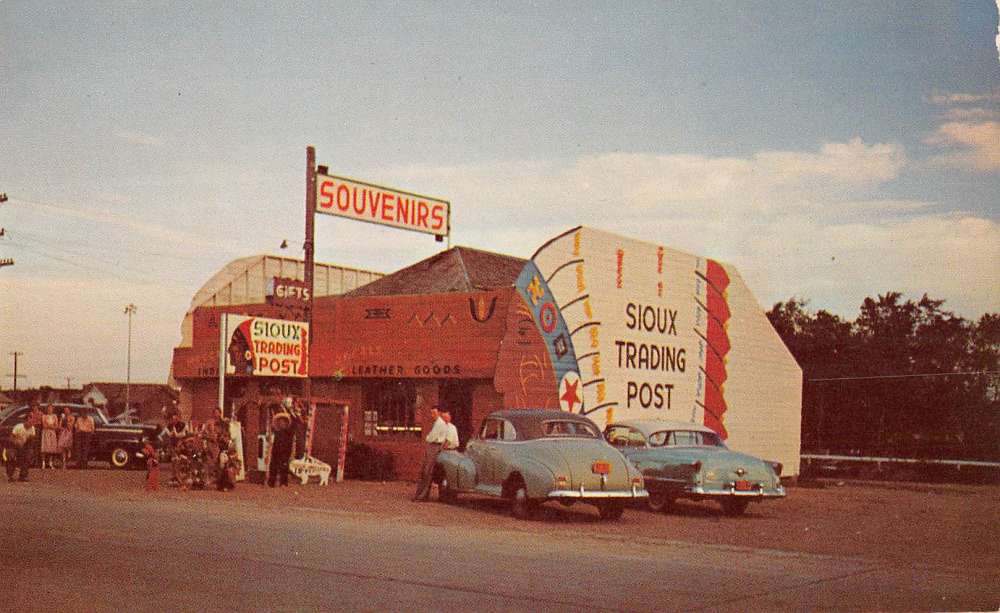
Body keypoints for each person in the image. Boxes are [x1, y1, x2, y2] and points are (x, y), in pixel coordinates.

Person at [412, 406, 448, 501]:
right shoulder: (437, 423)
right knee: (425, 471)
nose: (433, 415)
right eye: (432, 413)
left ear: (439, 413)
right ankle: (421, 494)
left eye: (434, 413)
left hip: (434, 446)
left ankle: (422, 495)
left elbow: (431, 437)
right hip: (433, 446)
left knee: (427, 471)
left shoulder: (439, 424)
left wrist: (428, 438)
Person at [267, 402, 297, 487]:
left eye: (283, 422)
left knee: (284, 466)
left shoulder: (289, 432)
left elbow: (295, 424)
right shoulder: (277, 432)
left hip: (285, 451)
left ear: (286, 423)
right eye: (280, 422)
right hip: (276, 451)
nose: (281, 423)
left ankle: (283, 482)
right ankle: (271, 482)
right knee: (273, 466)